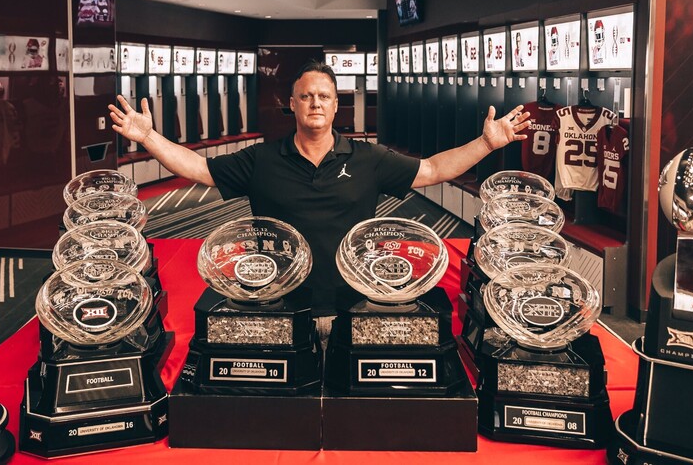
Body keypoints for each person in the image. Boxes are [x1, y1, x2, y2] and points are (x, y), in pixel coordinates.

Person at [108, 60, 530, 323]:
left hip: (356, 302)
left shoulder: (367, 159)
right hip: (279, 301)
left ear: (335, 105)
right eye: (306, 96)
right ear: (291, 104)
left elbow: (435, 168)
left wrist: (488, 144)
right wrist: (149, 138)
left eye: (324, 96)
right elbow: (199, 169)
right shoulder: (261, 159)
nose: (315, 103)